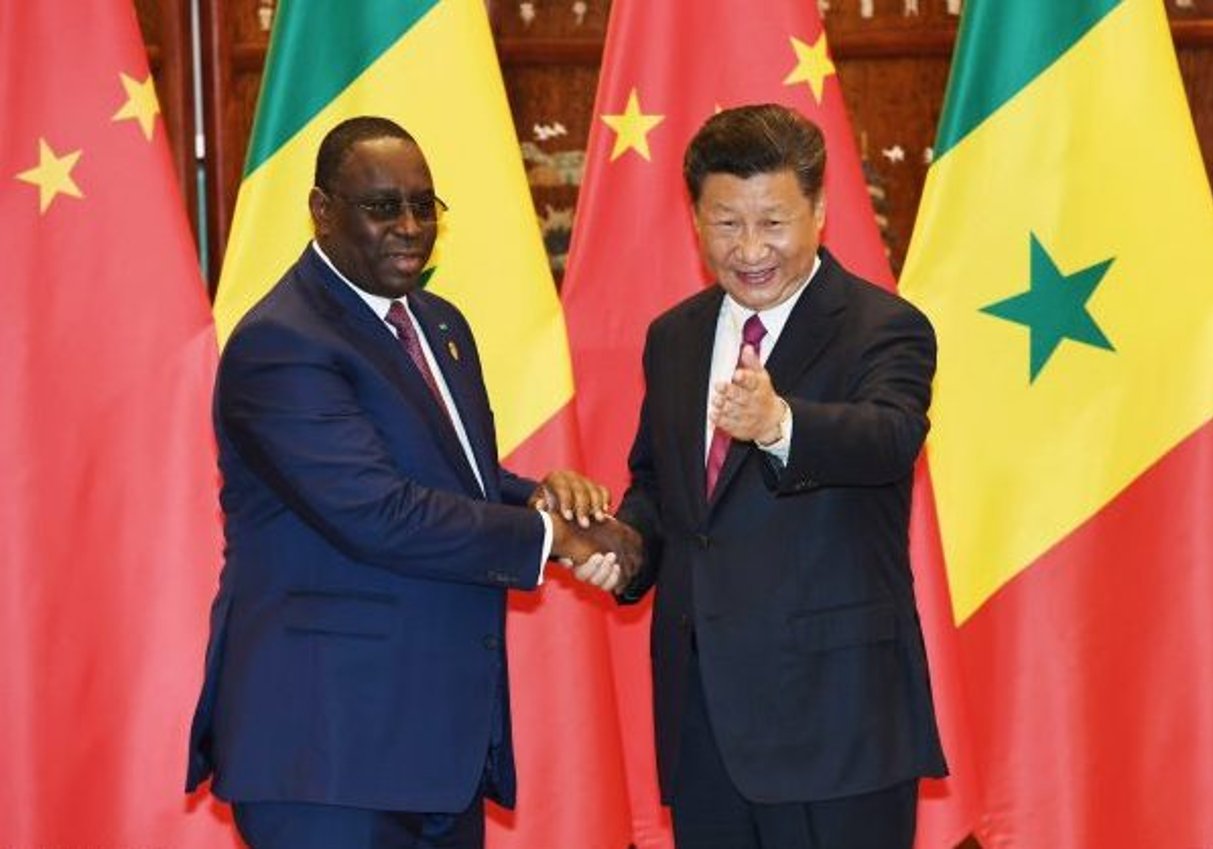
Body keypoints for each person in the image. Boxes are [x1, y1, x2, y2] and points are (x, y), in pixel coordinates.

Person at [186, 115, 626, 849]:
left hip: (434, 745)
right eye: (382, 206)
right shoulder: (281, 341)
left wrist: (539, 498)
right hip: (326, 753)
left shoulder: (438, 323)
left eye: (424, 205)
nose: (410, 226)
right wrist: (553, 538)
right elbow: (378, 510)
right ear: (323, 212)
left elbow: (456, 479)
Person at [613, 104, 948, 849]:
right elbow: (661, 487)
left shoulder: (883, 326)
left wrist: (778, 424)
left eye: (773, 222)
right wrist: (623, 544)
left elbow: (889, 437)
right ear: (695, 218)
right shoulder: (674, 336)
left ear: (820, 211)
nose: (750, 248)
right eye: (726, 223)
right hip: (704, 722)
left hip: (836, 723)